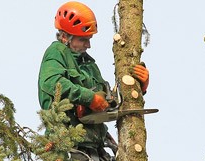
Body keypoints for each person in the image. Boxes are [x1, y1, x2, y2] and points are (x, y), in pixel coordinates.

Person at [37, 1, 150, 161]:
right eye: (83, 39)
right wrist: (88, 98)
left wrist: (140, 87)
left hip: (97, 148)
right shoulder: (57, 52)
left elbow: (108, 100)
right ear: (65, 37)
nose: (88, 45)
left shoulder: (89, 64)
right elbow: (52, 82)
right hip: (68, 146)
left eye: (89, 39)